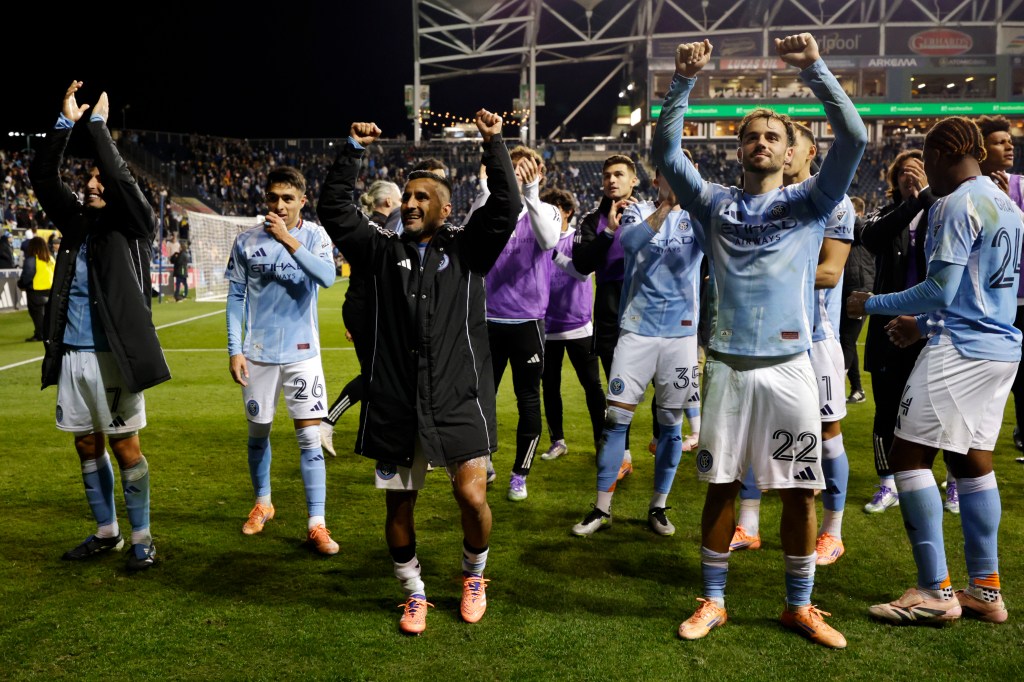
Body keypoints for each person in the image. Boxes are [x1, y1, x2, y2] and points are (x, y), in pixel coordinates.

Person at [654, 35, 867, 648]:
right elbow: (668, 153)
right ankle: (713, 601)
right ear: (739, 149)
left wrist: (815, 70)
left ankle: (799, 605)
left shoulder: (809, 203)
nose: (762, 143)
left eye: (772, 136)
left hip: (791, 368)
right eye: (751, 136)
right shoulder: (715, 205)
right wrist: (682, 82)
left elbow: (853, 139)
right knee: (722, 485)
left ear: (789, 149)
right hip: (725, 369)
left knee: (802, 490)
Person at [316, 112, 521, 635]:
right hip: (396, 401)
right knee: (399, 505)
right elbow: (334, 211)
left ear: (445, 209)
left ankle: (473, 577)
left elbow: (506, 206)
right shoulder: (381, 252)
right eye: (407, 197)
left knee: (472, 497)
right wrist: (352, 150)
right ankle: (414, 593)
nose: (409, 203)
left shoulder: (468, 250)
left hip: (458, 396)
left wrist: (494, 142)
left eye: (421, 197)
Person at [849, 116, 1022, 625]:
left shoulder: (956, 202)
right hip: (998, 348)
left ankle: (935, 591)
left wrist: (872, 302)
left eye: (928, 160)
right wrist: (921, 324)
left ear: (943, 155)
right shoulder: (1007, 204)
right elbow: (979, 290)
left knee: (908, 456)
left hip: (961, 350)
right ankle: (986, 592)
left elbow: (942, 290)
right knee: (970, 462)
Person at [30, 81, 170, 571]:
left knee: (125, 445)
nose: (91, 183)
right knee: (85, 443)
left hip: (115, 356)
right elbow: (42, 176)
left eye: (99, 179)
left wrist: (99, 128)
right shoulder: (77, 224)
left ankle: (142, 538)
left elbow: (121, 180)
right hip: (70, 352)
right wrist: (65, 123)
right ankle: (106, 531)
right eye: (88, 178)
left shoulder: (133, 223)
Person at [729, 123, 855, 567]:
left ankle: (832, 532)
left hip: (817, 338)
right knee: (750, 433)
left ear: (806, 153)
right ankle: (750, 525)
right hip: (768, 339)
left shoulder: (834, 205)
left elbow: (831, 272)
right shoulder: (771, 205)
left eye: (789, 147)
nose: (780, 155)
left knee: (826, 437)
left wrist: (763, 269)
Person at [571, 166, 703, 538]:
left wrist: (689, 206)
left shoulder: (697, 217)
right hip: (637, 332)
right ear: (657, 179)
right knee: (616, 422)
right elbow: (629, 243)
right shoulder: (637, 209)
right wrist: (664, 208)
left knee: (672, 428)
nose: (676, 184)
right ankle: (601, 508)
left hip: (680, 337)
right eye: (670, 176)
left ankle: (658, 506)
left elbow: (715, 249)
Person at [225, 166, 339, 556]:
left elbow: (327, 278)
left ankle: (317, 523)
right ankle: (263, 502)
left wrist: (289, 240)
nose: (279, 205)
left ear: (302, 201)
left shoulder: (316, 237)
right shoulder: (246, 241)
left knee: (309, 440)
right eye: (273, 198)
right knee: (258, 433)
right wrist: (233, 349)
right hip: (257, 356)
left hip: (302, 355)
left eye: (288, 198)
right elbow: (236, 297)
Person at [860, 150, 956, 513]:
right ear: (893, 179)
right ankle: (887, 483)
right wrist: (910, 203)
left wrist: (927, 196)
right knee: (886, 407)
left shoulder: (945, 210)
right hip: (889, 327)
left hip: (936, 327)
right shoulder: (887, 214)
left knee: (942, 407)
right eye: (903, 171)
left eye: (917, 170)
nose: (910, 175)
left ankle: (954, 480)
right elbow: (871, 240)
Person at [469, 144, 560, 501]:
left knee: (528, 401)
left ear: (540, 173)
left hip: (527, 323)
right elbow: (470, 237)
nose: (519, 173)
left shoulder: (548, 211)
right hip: (488, 320)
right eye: (513, 168)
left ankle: (519, 473)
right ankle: (485, 460)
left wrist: (531, 194)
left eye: (527, 168)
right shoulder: (492, 210)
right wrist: (485, 192)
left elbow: (548, 239)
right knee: (481, 397)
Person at [319, 179, 403, 457]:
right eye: (401, 199)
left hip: (361, 307)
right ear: (389, 202)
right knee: (375, 375)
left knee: (377, 374)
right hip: (370, 309)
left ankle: (369, 435)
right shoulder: (387, 228)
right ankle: (327, 422)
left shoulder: (368, 225)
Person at [571, 155, 643, 478]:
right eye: (607, 176)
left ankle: (662, 436)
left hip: (652, 314)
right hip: (611, 316)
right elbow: (582, 264)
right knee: (617, 393)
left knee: (666, 393)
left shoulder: (651, 214)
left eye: (619, 174)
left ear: (634, 180)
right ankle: (623, 454)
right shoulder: (592, 222)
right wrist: (610, 232)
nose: (612, 180)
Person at [538, 187, 605, 460]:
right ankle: (558, 441)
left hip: (579, 325)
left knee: (592, 385)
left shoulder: (579, 239)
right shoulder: (540, 242)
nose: (551, 217)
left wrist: (554, 253)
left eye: (556, 211)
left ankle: (601, 440)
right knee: (550, 388)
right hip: (546, 327)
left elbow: (582, 273)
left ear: (568, 212)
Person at [974, 115, 1024, 455]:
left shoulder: (1021, 184)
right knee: (980, 386)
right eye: (999, 141)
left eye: (1010, 141)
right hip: (982, 302)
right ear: (980, 149)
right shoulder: (967, 189)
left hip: (1019, 300)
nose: (1009, 146)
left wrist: (1011, 206)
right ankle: (969, 456)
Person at [840, 196, 874, 403]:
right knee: (845, 340)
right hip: (845, 290)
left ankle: (834, 386)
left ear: (858, 213)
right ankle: (858, 390)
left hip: (860, 291)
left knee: (847, 340)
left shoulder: (864, 230)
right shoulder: (845, 236)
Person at [17, 236, 55, 341]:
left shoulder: (33, 258)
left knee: (37, 314)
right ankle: (47, 333)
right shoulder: (50, 258)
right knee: (47, 315)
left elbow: (28, 274)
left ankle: (40, 334)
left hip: (36, 291)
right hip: (50, 290)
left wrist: (21, 284)